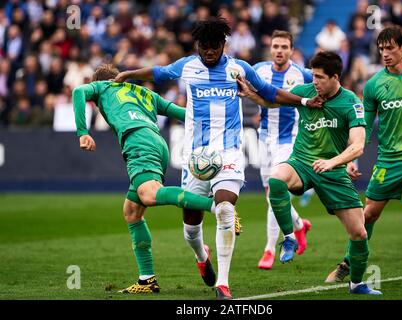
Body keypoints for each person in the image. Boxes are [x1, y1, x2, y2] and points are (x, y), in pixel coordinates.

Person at [114, 16, 321, 299]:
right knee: (190, 227)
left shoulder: (239, 68)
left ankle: (222, 283)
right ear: (198, 45)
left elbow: (270, 92)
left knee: (224, 209)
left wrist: (304, 101)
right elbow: (159, 73)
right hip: (196, 157)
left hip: (228, 154)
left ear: (224, 45)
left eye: (214, 47)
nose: (209, 52)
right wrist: (128, 74)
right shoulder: (187, 65)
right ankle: (202, 256)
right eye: (204, 47)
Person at [239, 51, 381, 294]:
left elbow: (358, 145)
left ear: (335, 77)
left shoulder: (351, 103)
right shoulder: (306, 92)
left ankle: (357, 283)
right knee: (276, 179)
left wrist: (334, 162)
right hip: (302, 162)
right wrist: (253, 95)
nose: (313, 81)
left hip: (333, 171)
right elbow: (276, 101)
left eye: (319, 77)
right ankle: (290, 237)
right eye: (313, 76)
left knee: (359, 233)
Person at [72, 64, 219, 295]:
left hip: (138, 141)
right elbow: (182, 114)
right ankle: (147, 279)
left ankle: (216, 206)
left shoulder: (105, 86)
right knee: (132, 211)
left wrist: (83, 132)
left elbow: (78, 92)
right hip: (158, 144)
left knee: (148, 194)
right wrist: (213, 122)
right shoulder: (144, 93)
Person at [325, 26, 402, 288]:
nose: (384, 53)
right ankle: (348, 262)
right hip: (389, 159)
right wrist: (351, 159)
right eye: (381, 49)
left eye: (390, 48)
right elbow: (364, 129)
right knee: (368, 214)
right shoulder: (374, 85)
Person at [253, 30, 312, 270]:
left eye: (284, 47)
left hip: (289, 140)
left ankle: (269, 249)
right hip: (264, 139)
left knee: (275, 193)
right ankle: (299, 225)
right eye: (276, 46)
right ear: (270, 48)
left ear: (291, 50)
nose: (279, 50)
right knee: (271, 194)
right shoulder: (258, 70)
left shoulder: (302, 75)